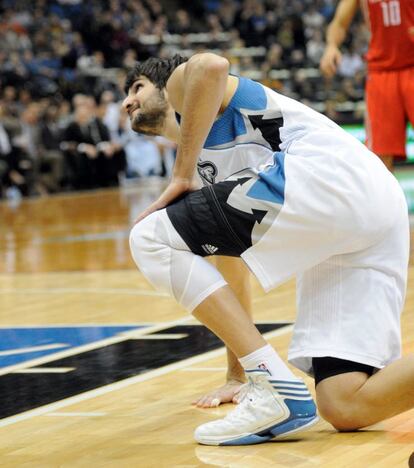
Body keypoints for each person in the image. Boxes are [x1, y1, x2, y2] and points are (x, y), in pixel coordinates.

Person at [124, 53, 410, 446]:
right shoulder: (213, 175)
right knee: (345, 403)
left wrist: (182, 174)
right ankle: (269, 385)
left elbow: (210, 66)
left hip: (325, 176)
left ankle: (275, 389)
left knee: (148, 237)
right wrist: (238, 375)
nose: (127, 101)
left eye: (137, 87)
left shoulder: (180, 85)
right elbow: (230, 275)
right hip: (368, 212)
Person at [320, 0, 414, 171]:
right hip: (381, 72)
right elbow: (340, 22)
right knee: (380, 157)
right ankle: (385, 198)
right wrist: (331, 46)